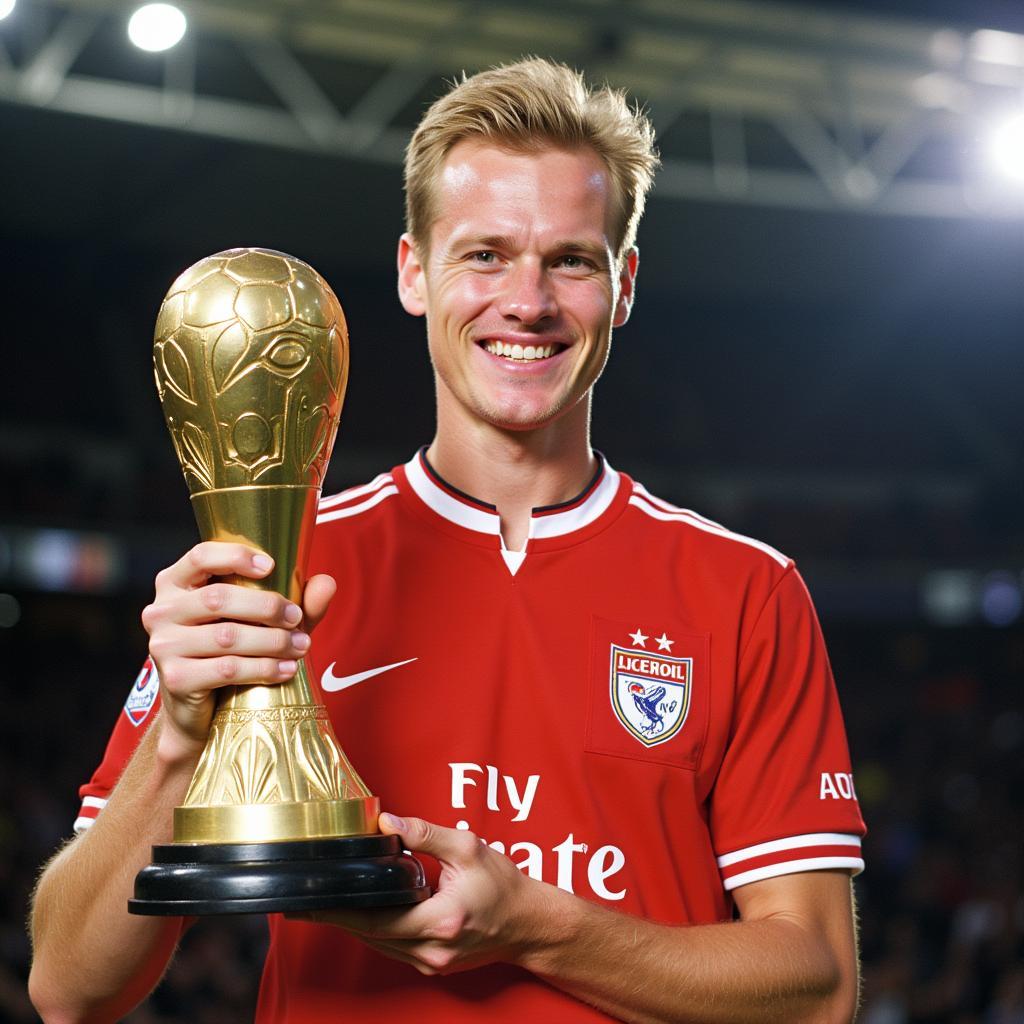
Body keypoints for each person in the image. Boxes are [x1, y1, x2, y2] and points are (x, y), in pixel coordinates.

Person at [28, 58, 866, 1023]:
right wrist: (180, 732)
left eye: (571, 259)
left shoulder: (746, 590)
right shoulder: (275, 569)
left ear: (623, 285)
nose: (528, 300)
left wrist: (539, 927)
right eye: (484, 254)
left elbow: (819, 993)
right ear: (413, 273)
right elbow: (67, 988)